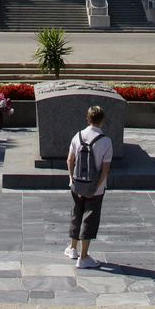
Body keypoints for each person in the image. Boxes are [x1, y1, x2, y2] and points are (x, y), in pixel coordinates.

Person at [65, 105, 113, 269]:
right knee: (89, 219)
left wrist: (73, 180)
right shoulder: (106, 141)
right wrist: (95, 188)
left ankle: (72, 248)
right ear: (102, 121)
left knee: (76, 213)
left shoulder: (77, 137)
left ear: (88, 119)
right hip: (96, 188)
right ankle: (83, 257)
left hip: (77, 184)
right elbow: (105, 169)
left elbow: (70, 161)